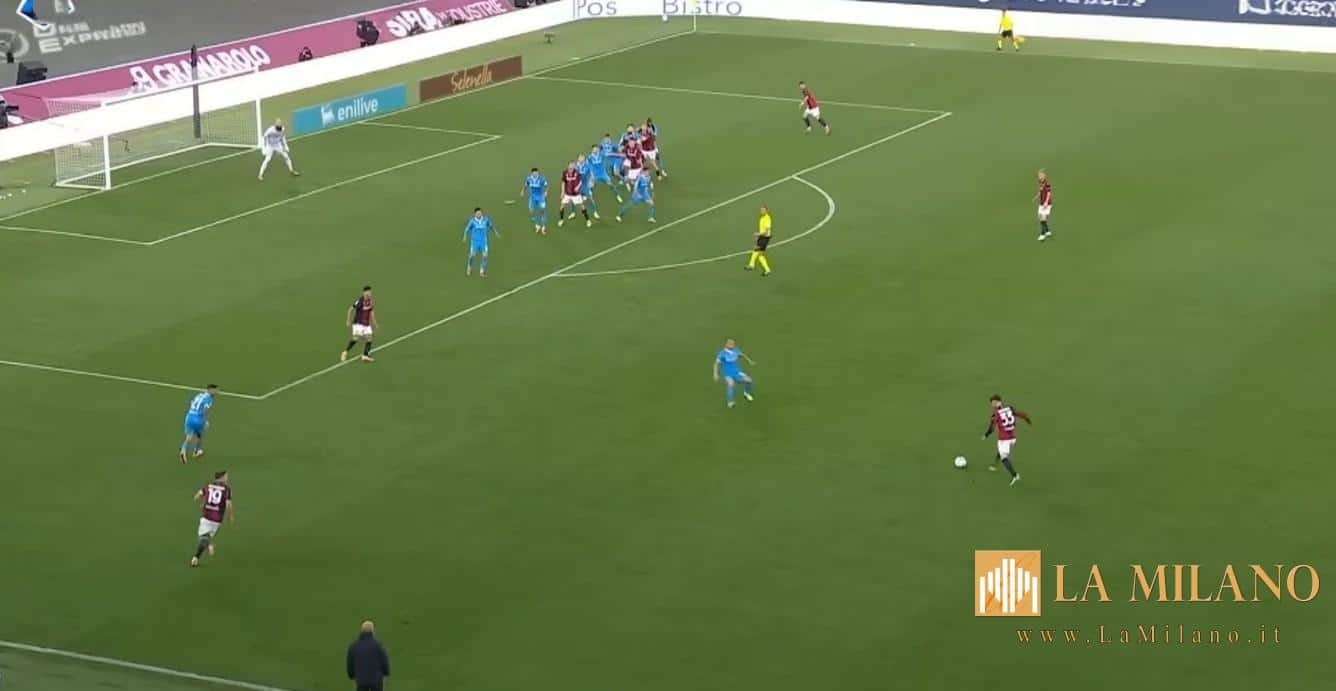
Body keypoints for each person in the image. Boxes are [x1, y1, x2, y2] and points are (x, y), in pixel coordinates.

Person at [983, 394, 1032, 485]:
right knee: (1001, 450)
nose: (993, 405)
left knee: (1004, 458)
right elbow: (1020, 414)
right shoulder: (1009, 408)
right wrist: (1027, 419)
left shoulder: (996, 414)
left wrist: (986, 435)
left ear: (998, 402)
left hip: (1004, 439)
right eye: (992, 403)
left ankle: (1015, 475)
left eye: (994, 403)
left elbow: (992, 428)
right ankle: (994, 465)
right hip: (1013, 437)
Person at [191, 470, 233, 567]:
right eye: (226, 476)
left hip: (207, 514)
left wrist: (199, 500)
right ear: (222, 477)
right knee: (206, 536)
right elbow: (228, 504)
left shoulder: (209, 485)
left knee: (202, 537)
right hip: (217, 518)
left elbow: (199, 494)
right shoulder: (227, 489)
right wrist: (230, 515)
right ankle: (200, 553)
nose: (227, 478)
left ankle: (205, 548)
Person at [347, 620, 391, 691]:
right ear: (372, 631)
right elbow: (384, 661)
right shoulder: (378, 645)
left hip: (361, 681)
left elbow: (350, 663)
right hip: (376, 681)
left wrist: (351, 675)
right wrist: (386, 672)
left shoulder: (353, 646)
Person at [180, 385, 218, 463]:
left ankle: (183, 450)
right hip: (198, 419)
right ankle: (196, 451)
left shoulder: (199, 395)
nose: (217, 392)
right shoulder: (209, 399)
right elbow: (205, 410)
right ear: (210, 390)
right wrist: (205, 421)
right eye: (215, 390)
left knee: (189, 436)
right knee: (199, 435)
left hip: (189, 416)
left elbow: (192, 402)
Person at [712, 339, 754, 409]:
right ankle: (730, 402)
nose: (732, 345)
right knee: (731, 384)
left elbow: (742, 355)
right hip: (727, 373)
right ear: (726, 344)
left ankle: (746, 393)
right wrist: (715, 374)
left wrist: (749, 361)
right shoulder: (722, 354)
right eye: (730, 344)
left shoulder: (736, 350)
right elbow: (716, 364)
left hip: (737, 372)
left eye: (733, 344)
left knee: (749, 380)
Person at [342, 286, 377, 363]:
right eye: (368, 292)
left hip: (366, 323)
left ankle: (365, 355)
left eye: (370, 292)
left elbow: (371, 311)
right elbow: (351, 309)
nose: (369, 294)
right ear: (364, 293)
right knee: (356, 338)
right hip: (358, 322)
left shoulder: (370, 301)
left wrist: (374, 322)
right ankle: (345, 352)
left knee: (369, 338)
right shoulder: (360, 301)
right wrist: (348, 320)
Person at [463, 207, 498, 277]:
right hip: (475, 241)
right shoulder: (472, 221)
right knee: (472, 255)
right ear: (475, 214)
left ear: (482, 213)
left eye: (480, 213)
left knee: (485, 256)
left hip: (483, 241)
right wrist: (464, 237)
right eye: (477, 213)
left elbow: (491, 226)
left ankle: (482, 271)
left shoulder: (486, 219)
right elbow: (467, 229)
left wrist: (495, 232)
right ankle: (469, 268)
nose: (479, 214)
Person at [745, 205, 773, 276]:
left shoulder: (767, 218)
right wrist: (758, 236)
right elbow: (761, 229)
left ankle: (752, 265)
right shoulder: (761, 218)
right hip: (762, 237)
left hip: (765, 237)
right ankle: (766, 270)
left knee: (757, 250)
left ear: (767, 211)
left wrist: (758, 234)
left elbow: (766, 231)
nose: (761, 211)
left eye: (763, 210)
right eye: (761, 210)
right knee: (759, 253)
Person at [521, 167, 549, 234]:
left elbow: (547, 186)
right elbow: (526, 185)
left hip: (541, 197)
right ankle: (537, 225)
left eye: (536, 172)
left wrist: (546, 192)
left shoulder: (542, 179)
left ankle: (543, 227)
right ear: (532, 173)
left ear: (538, 172)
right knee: (531, 210)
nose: (535, 174)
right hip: (532, 197)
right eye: (534, 173)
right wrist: (522, 191)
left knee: (542, 211)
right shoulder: (529, 178)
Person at [1034, 169, 1054, 241]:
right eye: (1039, 175)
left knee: (1043, 218)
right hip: (1041, 203)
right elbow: (1041, 190)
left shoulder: (1047, 183)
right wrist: (1037, 195)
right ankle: (1048, 231)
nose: (1039, 177)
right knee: (1040, 216)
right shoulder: (1040, 182)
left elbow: (1049, 193)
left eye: (1040, 175)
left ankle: (1042, 234)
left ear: (1044, 176)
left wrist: (1046, 202)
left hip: (1046, 204)